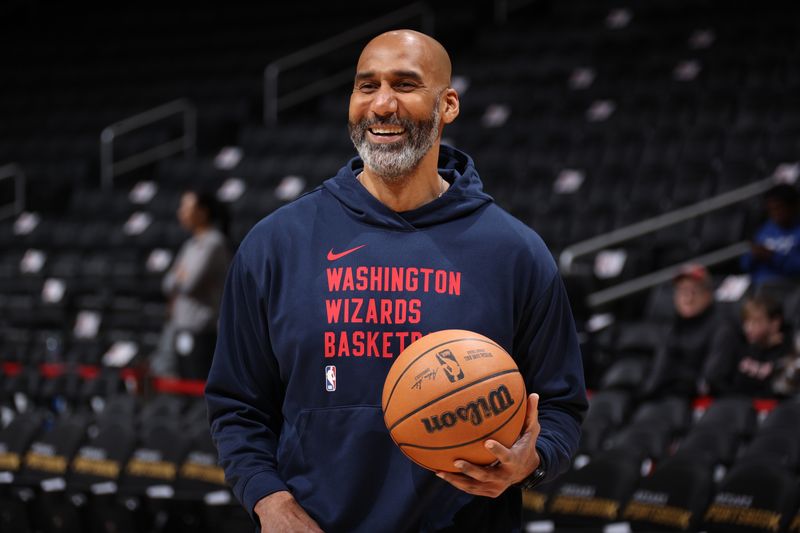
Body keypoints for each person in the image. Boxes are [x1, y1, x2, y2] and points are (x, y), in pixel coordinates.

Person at [205, 29, 587, 533]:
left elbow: (560, 406)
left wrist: (531, 460)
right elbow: (237, 405)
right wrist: (269, 501)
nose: (381, 104)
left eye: (405, 85)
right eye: (367, 86)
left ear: (447, 104)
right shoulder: (276, 243)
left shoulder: (514, 251)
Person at [151, 189, 231, 379]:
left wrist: (179, 276)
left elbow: (188, 284)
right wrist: (180, 277)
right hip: (182, 326)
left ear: (202, 212)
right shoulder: (190, 245)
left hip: (203, 330)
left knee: (197, 384)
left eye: (187, 207)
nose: (181, 212)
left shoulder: (214, 244)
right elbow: (167, 283)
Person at [641, 264, 733, 398]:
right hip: (670, 401)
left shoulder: (723, 329)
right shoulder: (673, 328)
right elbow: (656, 376)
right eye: (682, 291)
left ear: (708, 294)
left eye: (694, 291)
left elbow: (710, 381)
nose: (688, 298)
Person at [705, 295, 795, 398]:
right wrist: (758, 348)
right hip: (739, 405)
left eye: (756, 322)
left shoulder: (790, 348)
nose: (748, 328)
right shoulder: (737, 342)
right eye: (746, 321)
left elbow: (782, 389)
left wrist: (767, 349)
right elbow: (720, 382)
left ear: (775, 324)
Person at [740, 183, 800, 289]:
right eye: (771, 209)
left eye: (779, 208)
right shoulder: (766, 228)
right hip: (760, 286)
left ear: (793, 206)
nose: (775, 213)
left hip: (790, 288)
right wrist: (752, 256)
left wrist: (772, 257)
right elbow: (745, 265)